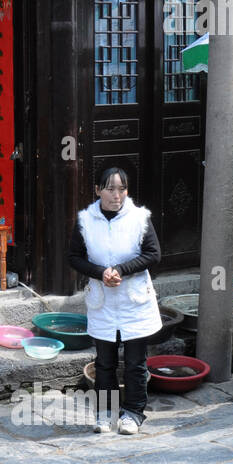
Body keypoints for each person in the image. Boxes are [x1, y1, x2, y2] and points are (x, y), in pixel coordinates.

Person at [69, 167, 162, 435]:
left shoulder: (140, 218)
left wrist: (121, 270)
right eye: (110, 189)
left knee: (135, 362)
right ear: (97, 190)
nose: (116, 195)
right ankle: (105, 413)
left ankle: (133, 412)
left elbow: (153, 254)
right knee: (104, 362)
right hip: (103, 301)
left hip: (134, 300)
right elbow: (74, 257)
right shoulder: (86, 221)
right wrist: (100, 273)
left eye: (122, 189)